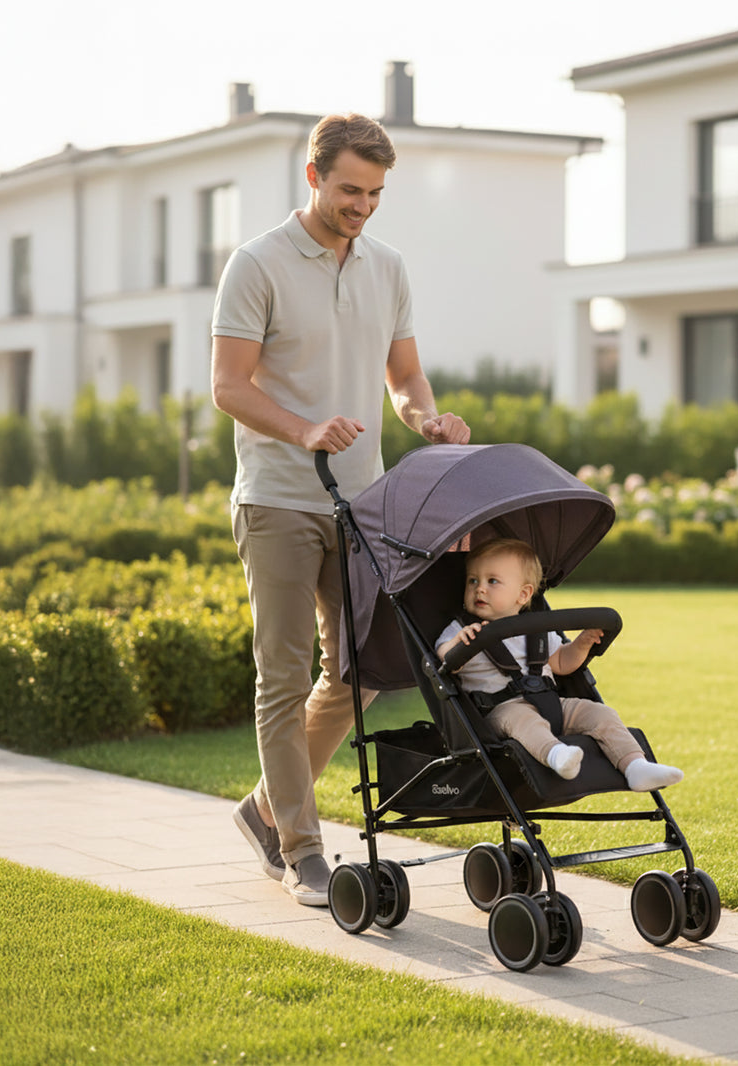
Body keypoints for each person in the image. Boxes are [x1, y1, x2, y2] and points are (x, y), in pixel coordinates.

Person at [211, 112, 470, 907]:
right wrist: (305, 430)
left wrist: (423, 416)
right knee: (282, 678)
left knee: (359, 673)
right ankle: (300, 847)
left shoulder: (386, 266)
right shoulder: (256, 264)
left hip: (362, 503)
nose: (363, 205)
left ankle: (261, 810)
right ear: (315, 176)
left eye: (376, 193)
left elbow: (403, 376)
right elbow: (229, 386)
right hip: (279, 501)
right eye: (351, 189)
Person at [435, 539, 683, 792]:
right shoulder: (462, 629)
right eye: (472, 581)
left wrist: (582, 644)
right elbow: (443, 661)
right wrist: (457, 644)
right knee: (524, 721)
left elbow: (562, 664)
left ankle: (635, 766)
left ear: (523, 594)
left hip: (552, 703)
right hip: (501, 711)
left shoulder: (536, 630)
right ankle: (556, 755)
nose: (480, 589)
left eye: (492, 581)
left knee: (600, 713)